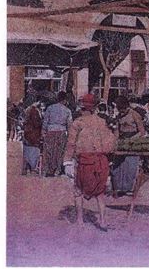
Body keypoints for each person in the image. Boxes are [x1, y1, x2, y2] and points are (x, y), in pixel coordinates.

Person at [64, 94, 117, 229]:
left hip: (84, 161)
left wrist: (67, 161)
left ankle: (80, 220)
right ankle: (103, 221)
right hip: (101, 161)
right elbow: (110, 142)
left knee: (78, 190)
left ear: (82, 108)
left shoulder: (78, 123)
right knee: (99, 193)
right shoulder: (102, 122)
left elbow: (70, 144)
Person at [111, 96, 145, 196]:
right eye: (119, 110)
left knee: (130, 166)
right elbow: (117, 131)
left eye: (122, 110)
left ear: (126, 107)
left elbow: (142, 132)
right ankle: (118, 188)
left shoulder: (135, 115)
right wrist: (115, 141)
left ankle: (129, 188)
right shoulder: (119, 117)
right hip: (122, 142)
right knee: (118, 166)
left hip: (133, 142)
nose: (121, 112)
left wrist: (131, 140)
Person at [42, 92, 73, 176]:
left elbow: (45, 121)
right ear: (65, 100)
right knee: (60, 152)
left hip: (50, 131)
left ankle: (48, 169)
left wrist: (43, 132)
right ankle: (57, 170)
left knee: (49, 151)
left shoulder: (50, 108)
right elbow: (69, 124)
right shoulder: (67, 110)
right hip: (62, 132)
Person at [22, 100, 43, 174]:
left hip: (28, 132)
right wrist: (41, 122)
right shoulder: (34, 111)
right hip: (33, 133)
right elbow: (36, 123)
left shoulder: (28, 109)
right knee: (34, 150)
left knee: (27, 150)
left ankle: (27, 167)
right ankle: (33, 167)